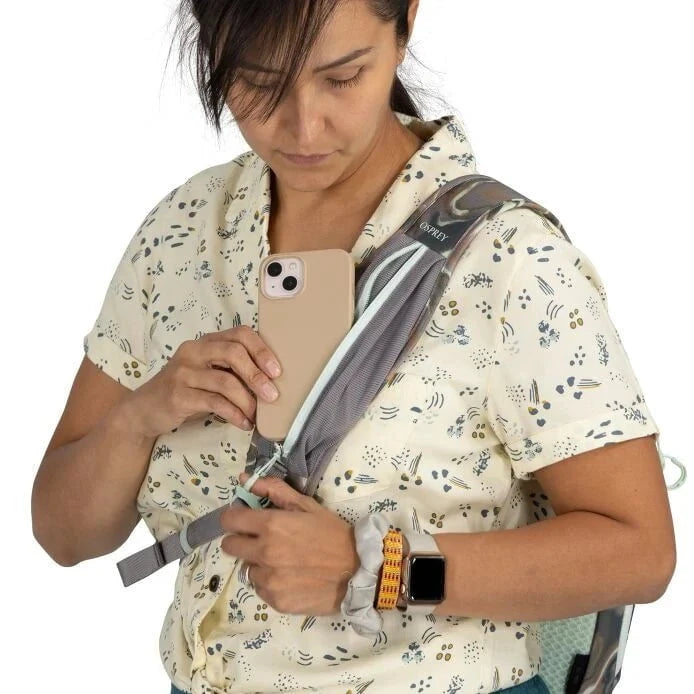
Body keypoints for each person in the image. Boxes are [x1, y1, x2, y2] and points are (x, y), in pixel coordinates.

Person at [32, 1, 677, 693]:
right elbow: (65, 536)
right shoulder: (183, 230)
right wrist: (140, 416)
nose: (304, 126)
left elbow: (640, 554)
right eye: (258, 82)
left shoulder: (510, 259)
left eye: (342, 78)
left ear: (404, 24)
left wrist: (380, 568)